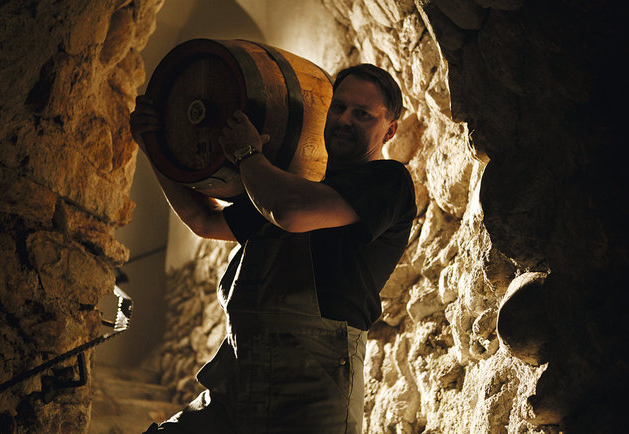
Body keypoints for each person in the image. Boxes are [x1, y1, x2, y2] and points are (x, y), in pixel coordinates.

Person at [131, 63, 416, 433]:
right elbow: (203, 221)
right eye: (338, 107)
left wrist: (249, 154)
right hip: (238, 373)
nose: (344, 119)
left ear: (389, 129)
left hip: (311, 388)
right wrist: (153, 145)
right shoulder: (288, 183)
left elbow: (289, 212)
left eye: (361, 114)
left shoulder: (387, 181)